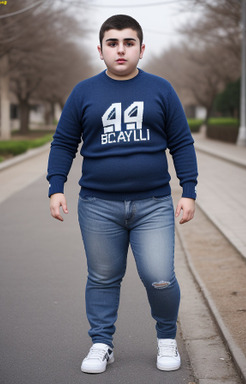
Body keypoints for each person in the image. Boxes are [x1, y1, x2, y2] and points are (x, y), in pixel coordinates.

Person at [47, 14, 198, 374]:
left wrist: (188, 190)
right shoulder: (84, 92)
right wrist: (56, 187)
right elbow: (64, 143)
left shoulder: (161, 89)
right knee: (102, 276)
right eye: (112, 43)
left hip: (154, 204)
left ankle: (166, 339)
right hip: (98, 205)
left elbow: (181, 143)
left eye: (128, 42)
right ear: (100, 50)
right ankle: (101, 343)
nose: (120, 49)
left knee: (159, 275)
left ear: (141, 49)